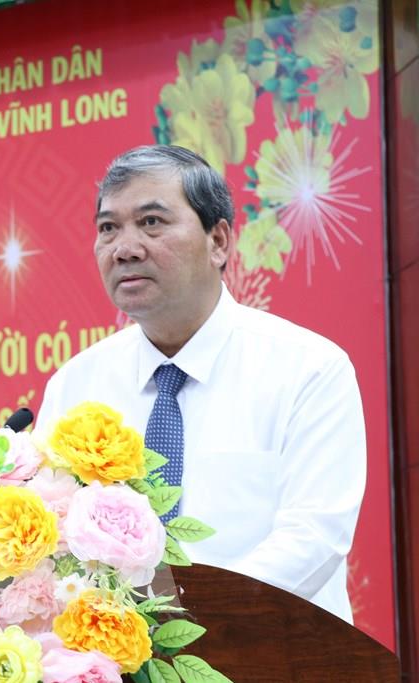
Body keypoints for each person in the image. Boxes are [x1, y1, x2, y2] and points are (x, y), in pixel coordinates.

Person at [36, 145, 366, 623]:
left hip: (273, 645)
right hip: (117, 652)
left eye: (151, 222)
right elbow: (54, 544)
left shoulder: (307, 368)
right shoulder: (76, 385)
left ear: (219, 241)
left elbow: (314, 538)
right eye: (108, 228)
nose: (125, 248)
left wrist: (187, 619)